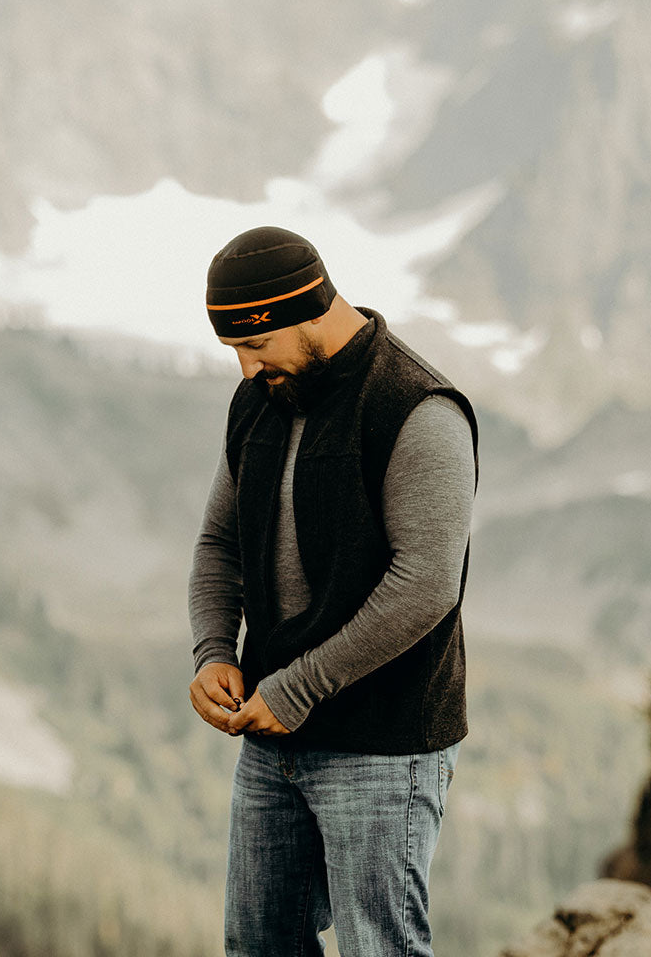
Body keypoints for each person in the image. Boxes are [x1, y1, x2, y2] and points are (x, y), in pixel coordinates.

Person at [188, 225, 478, 957]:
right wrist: (214, 651)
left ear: (307, 310)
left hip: (381, 745)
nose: (249, 369)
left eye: (256, 347)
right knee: (259, 943)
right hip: (271, 739)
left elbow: (426, 585)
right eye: (236, 354)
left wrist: (297, 689)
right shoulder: (260, 401)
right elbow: (219, 543)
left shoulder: (417, 408)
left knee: (380, 947)